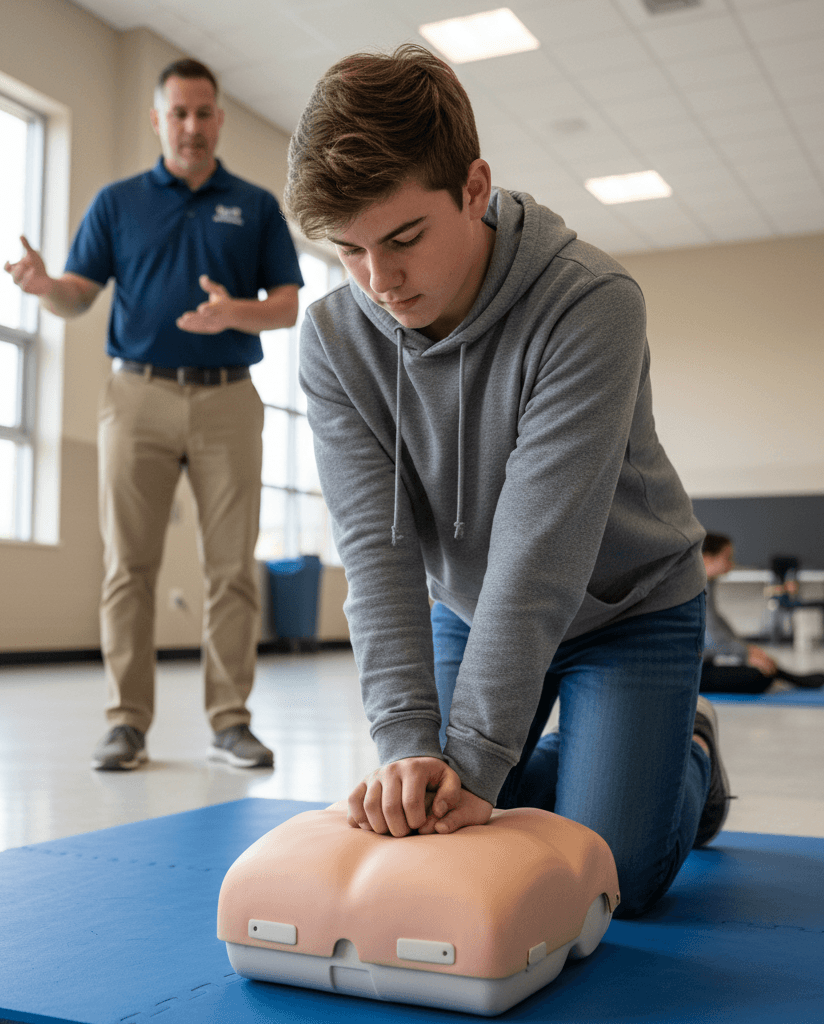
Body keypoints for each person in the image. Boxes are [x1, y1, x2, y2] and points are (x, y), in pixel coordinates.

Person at [284, 44, 730, 917]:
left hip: (626, 606)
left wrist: (477, 757)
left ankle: (689, 752)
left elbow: (539, 554)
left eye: (405, 237)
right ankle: (605, 755)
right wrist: (410, 745)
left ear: (475, 189)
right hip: (472, 610)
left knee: (615, 876)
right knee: (444, 814)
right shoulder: (335, 342)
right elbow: (376, 558)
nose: (381, 281)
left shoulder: (590, 301)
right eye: (349, 251)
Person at [5, 58, 303, 771]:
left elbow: (288, 304)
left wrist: (238, 312)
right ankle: (126, 724)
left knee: (230, 569)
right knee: (126, 567)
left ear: (219, 118)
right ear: (158, 119)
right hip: (135, 396)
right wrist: (47, 286)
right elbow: (79, 292)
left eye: (204, 113)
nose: (192, 127)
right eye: (179, 113)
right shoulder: (118, 202)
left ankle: (231, 723)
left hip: (229, 395)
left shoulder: (256, 205)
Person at [701, 533, 824, 693]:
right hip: (692, 671)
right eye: (727, 558)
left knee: (759, 668)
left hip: (702, 664)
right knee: (758, 676)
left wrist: (747, 649)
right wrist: (746, 653)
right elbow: (712, 638)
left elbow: (717, 624)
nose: (731, 564)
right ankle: (785, 676)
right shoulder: (697, 588)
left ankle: (785, 675)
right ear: (707, 558)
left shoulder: (707, 585)